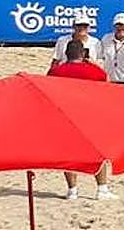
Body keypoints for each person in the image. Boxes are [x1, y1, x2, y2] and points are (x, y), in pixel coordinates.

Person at [48, 39, 116, 200]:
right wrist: (90, 63)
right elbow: (106, 82)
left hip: (65, 116)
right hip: (88, 116)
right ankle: (102, 189)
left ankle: (72, 190)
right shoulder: (94, 72)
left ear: (66, 54)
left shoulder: (56, 72)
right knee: (97, 152)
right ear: (83, 53)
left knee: (68, 154)